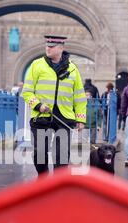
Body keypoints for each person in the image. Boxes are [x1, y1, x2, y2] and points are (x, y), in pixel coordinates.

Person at [22, 35, 87, 176]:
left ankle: (58, 185)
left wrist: (81, 119)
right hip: (41, 116)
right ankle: (43, 178)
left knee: (62, 155)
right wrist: (38, 105)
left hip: (64, 117)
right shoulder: (36, 65)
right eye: (47, 45)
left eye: (52, 46)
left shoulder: (73, 69)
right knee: (39, 153)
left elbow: (79, 96)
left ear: (61, 48)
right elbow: (26, 92)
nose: (48, 48)